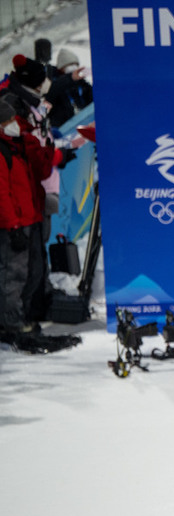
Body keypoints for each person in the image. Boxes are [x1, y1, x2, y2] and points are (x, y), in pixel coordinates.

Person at [0, 97, 56, 337]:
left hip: (31, 217)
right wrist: (12, 226)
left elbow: (40, 171)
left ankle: (23, 314)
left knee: (34, 271)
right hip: (15, 224)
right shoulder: (4, 151)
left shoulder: (19, 145)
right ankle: (11, 322)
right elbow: (2, 193)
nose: (15, 123)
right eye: (9, 120)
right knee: (14, 275)